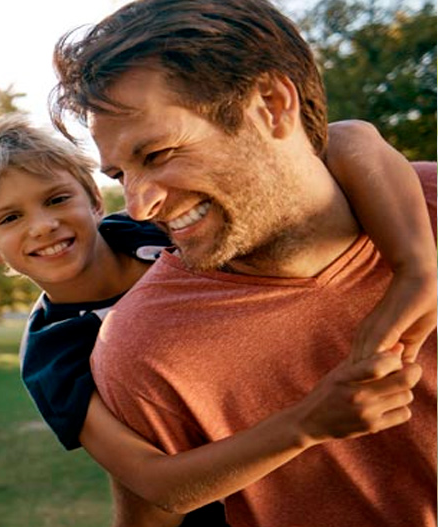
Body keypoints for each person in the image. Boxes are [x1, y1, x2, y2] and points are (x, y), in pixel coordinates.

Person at [49, 0, 437, 526]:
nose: (138, 206)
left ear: (273, 105)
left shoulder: (422, 209)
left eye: (158, 154)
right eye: (119, 174)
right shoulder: (142, 348)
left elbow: (350, 136)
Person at [0, 112, 431, 525]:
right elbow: (157, 484)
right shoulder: (56, 350)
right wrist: (307, 423)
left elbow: (347, 138)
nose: (44, 224)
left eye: (56, 199)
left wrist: (417, 267)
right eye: (10, 218)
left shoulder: (156, 225)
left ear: (94, 200)